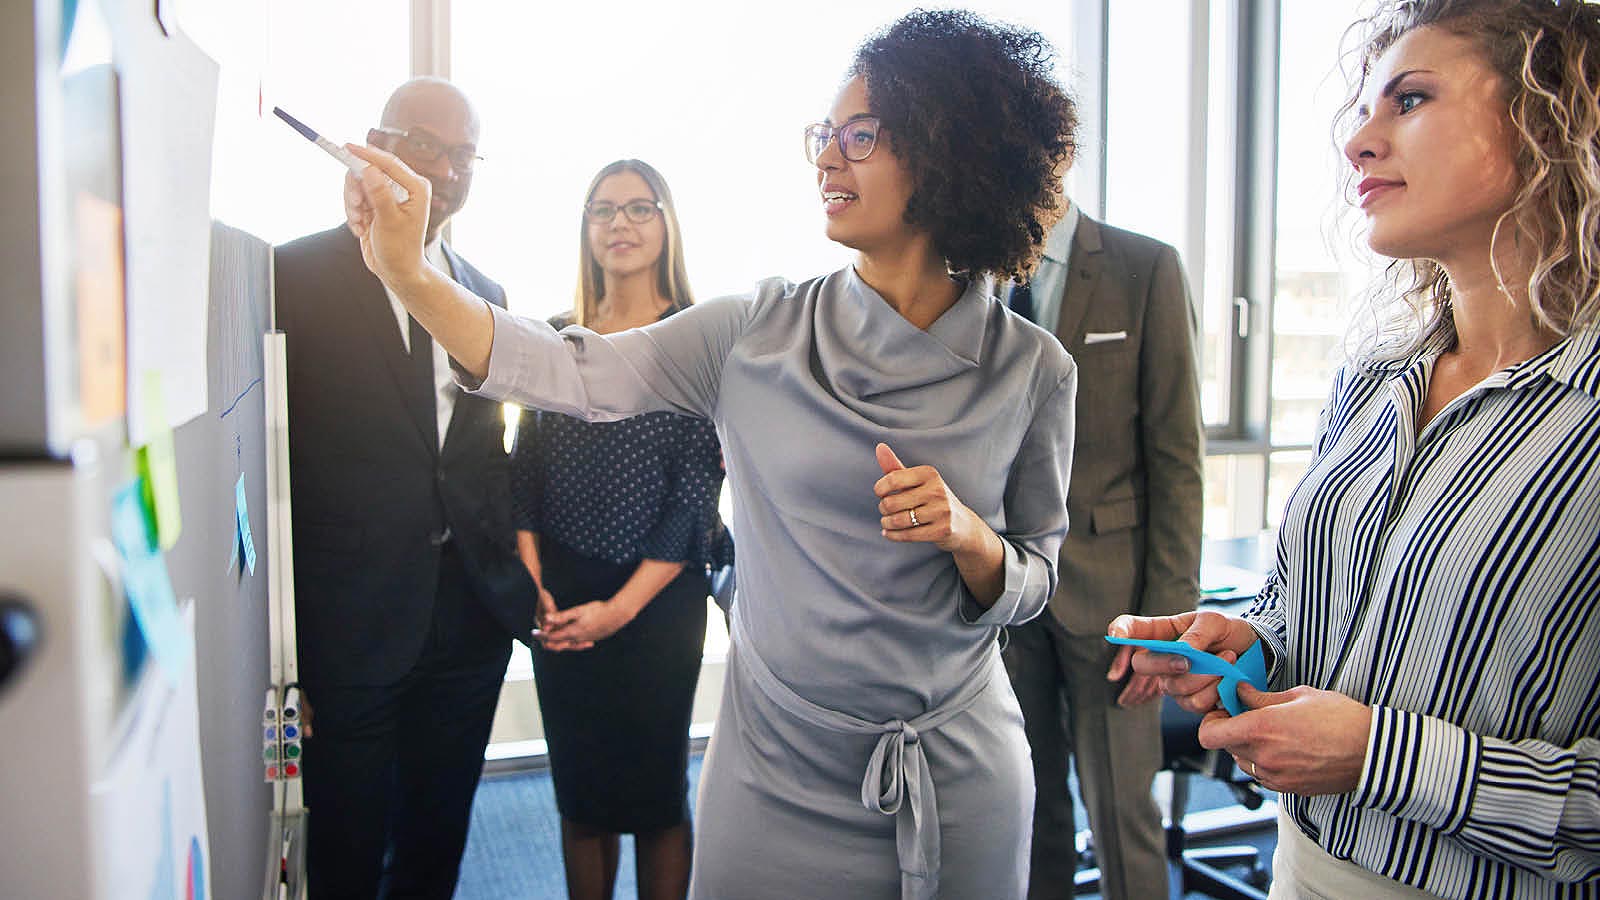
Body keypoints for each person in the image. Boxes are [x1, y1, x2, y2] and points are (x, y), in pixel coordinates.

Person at [341, 10, 1079, 898]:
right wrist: (411, 275)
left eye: (860, 136)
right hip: (776, 768)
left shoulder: (1033, 369)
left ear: (947, 150)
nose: (827, 159)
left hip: (957, 774)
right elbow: (560, 368)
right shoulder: (754, 331)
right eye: (824, 135)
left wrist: (973, 540)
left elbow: (1036, 578)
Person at [1114, 2, 1600, 897]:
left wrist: (1383, 756)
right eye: (1364, 112)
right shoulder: (1373, 380)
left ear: (1551, 118)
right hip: (1297, 863)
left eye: (1408, 100)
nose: (1359, 146)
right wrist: (1246, 642)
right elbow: (1304, 604)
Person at [274, 78, 534, 899]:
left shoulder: (486, 294)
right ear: (373, 143)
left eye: (463, 154)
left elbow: (481, 455)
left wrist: (519, 581)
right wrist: (286, 651)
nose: (446, 169)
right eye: (425, 144)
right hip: (349, 622)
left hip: (467, 619)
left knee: (436, 838)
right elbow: (269, 471)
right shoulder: (293, 274)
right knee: (346, 845)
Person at [511, 158, 732, 900]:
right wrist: (535, 586)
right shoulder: (554, 336)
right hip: (562, 598)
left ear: (667, 224)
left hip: (657, 602)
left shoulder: (696, 338)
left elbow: (697, 494)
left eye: (640, 208)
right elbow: (525, 472)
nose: (620, 224)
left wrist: (618, 612)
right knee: (580, 794)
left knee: (654, 798)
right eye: (603, 210)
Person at [1000, 203, 1204, 900]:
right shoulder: (968, 268)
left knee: (1123, 816)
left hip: (1115, 601)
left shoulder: (1143, 267)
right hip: (1003, 595)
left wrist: (1167, 624)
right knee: (1028, 814)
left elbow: (1177, 460)